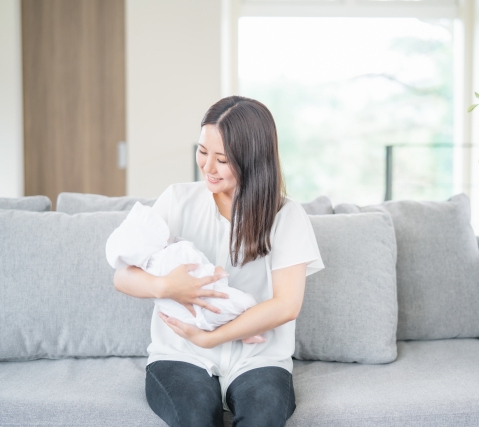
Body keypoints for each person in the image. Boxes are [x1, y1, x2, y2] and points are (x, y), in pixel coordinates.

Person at [112, 96, 324, 427]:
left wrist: (210, 337)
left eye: (222, 159)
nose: (208, 167)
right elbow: (122, 276)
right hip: (180, 354)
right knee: (194, 418)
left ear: (253, 160)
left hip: (258, 359)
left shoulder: (287, 216)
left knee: (263, 419)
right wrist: (167, 286)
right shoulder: (178, 199)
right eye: (202, 151)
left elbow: (287, 305)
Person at [106, 201, 264, 343]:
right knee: (248, 304)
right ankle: (246, 334)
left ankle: (239, 333)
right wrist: (216, 273)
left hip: (186, 322)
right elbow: (199, 269)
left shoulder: (146, 270)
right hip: (209, 308)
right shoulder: (177, 250)